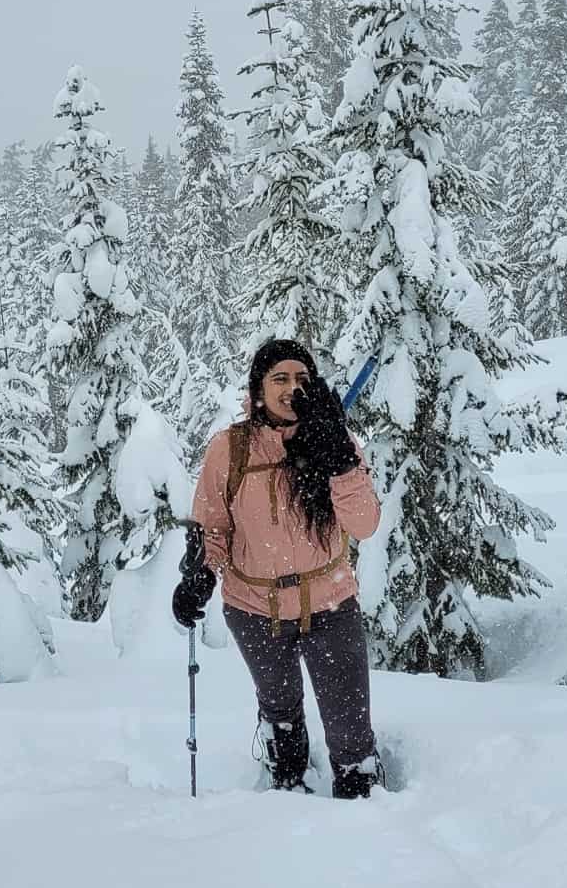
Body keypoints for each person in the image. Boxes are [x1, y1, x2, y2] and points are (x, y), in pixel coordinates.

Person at [172, 338, 384, 799]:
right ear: (258, 389)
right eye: (280, 379)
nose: (292, 388)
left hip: (330, 603)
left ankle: (362, 796)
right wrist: (202, 576)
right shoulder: (230, 449)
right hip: (255, 611)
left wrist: (341, 463)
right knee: (280, 708)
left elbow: (364, 525)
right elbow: (213, 527)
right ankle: (286, 789)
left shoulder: (335, 440)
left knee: (348, 722)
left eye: (302, 379)